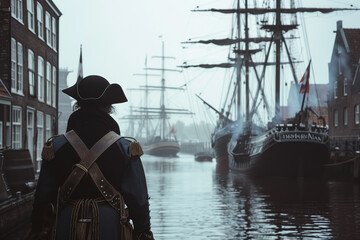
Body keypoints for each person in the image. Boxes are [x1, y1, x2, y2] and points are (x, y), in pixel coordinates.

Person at [28, 75, 154, 240]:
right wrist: (142, 232)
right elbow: (139, 201)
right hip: (110, 228)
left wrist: (37, 229)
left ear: (77, 105)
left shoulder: (56, 147)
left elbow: (43, 197)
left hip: (66, 227)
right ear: (109, 108)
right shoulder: (125, 148)